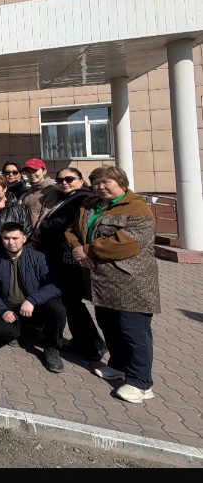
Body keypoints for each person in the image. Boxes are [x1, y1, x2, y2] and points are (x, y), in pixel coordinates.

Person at [65, 165, 160, 404]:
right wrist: (77, 247)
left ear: (121, 183)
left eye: (106, 182)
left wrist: (88, 250)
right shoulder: (90, 204)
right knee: (109, 325)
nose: (100, 187)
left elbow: (128, 243)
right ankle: (118, 366)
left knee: (133, 331)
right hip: (101, 281)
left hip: (129, 281)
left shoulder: (137, 207)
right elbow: (72, 230)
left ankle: (141, 383)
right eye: (96, 182)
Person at [37, 167, 107, 362]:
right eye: (60, 180)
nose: (64, 183)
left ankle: (93, 344)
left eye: (69, 179)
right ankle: (84, 341)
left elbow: (60, 224)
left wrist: (45, 225)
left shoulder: (81, 198)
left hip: (69, 258)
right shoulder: (67, 197)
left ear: (81, 180)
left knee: (72, 301)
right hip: (61, 256)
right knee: (70, 301)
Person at [0, 221, 67, 373]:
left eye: (15, 238)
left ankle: (52, 347)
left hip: (33, 306)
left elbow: (53, 286)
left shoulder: (38, 257)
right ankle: (23, 331)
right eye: (6, 238)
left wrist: (32, 300)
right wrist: (2, 310)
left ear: (24, 238)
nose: (11, 242)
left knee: (57, 308)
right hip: (9, 306)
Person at [21, 157, 61, 238]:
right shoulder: (29, 191)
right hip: (26, 236)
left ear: (44, 171)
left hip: (40, 238)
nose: (32, 174)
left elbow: (45, 216)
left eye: (35, 170)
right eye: (28, 171)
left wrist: (35, 239)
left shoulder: (52, 191)